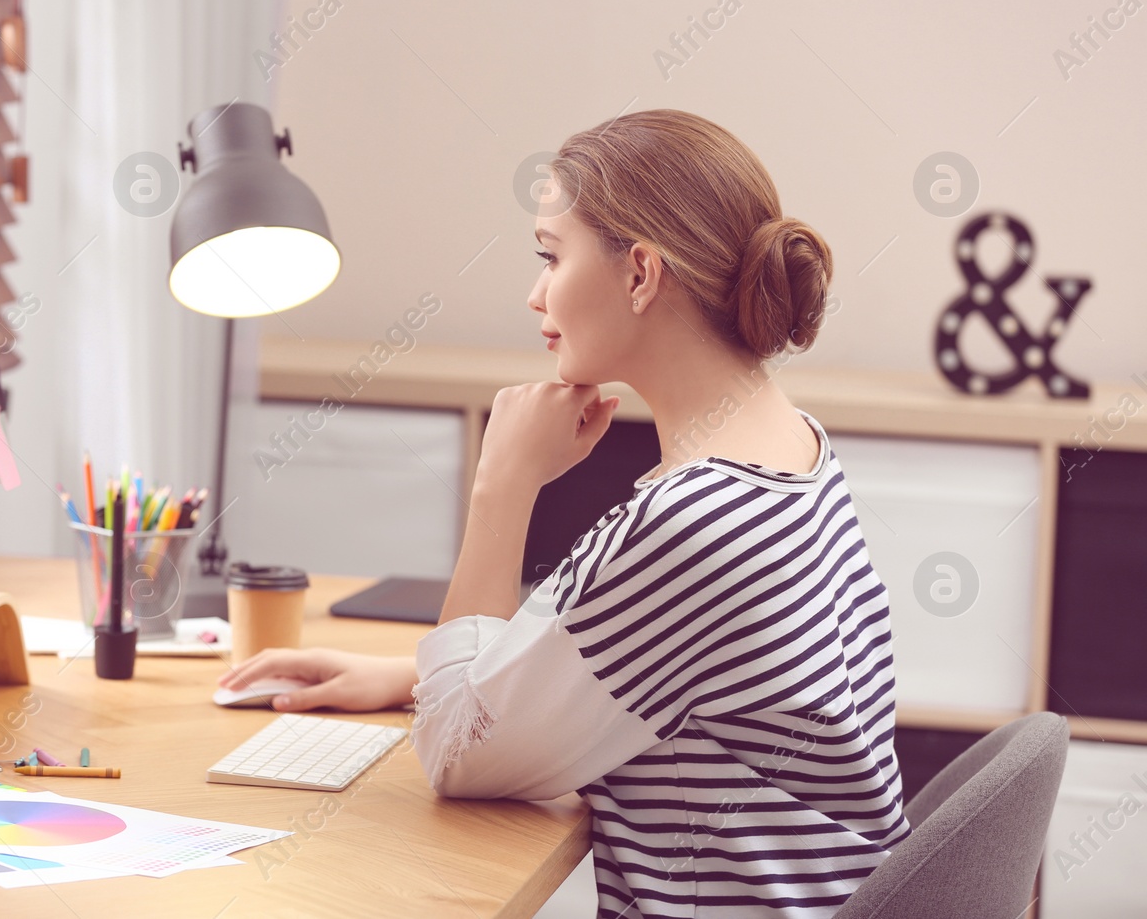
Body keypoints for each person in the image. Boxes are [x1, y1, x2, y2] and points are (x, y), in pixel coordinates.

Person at [217, 109, 910, 918]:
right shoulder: (795, 448)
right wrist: (412, 676)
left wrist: (501, 486)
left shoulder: (694, 521)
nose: (535, 292)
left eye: (551, 255)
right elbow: (675, 672)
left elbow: (453, 752)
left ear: (640, 274)